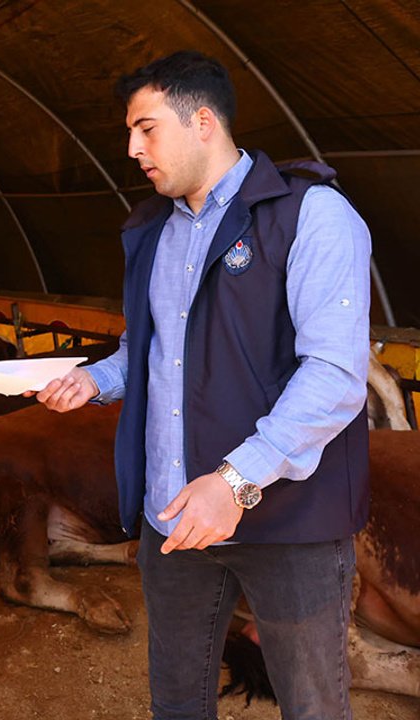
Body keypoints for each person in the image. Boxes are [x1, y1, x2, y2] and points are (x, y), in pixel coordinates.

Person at [33, 50, 371, 719]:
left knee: (313, 707)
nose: (132, 149)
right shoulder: (155, 231)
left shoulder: (310, 215)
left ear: (204, 122)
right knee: (179, 702)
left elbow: (334, 374)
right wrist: (93, 380)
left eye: (146, 128)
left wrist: (234, 482)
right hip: (177, 522)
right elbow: (151, 351)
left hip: (287, 525)